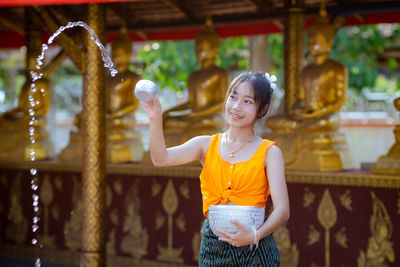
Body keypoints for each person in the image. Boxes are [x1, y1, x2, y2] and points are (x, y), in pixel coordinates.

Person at [142, 71, 289, 266]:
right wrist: (155, 117)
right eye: (233, 97)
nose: (236, 106)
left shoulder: (270, 152)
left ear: (262, 110)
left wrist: (254, 236)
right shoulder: (205, 145)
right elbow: (161, 159)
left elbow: (282, 210)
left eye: (247, 101)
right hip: (213, 247)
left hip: (256, 249)